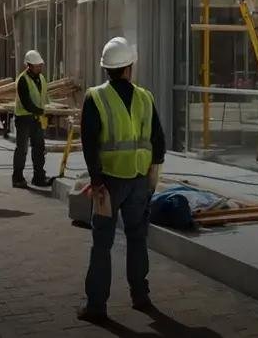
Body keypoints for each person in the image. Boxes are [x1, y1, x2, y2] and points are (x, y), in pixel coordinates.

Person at [78, 37, 165, 324]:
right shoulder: (146, 97)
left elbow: (89, 143)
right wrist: (151, 180)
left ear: (106, 68)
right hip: (140, 180)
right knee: (137, 238)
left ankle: (96, 306)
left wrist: (95, 180)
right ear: (129, 66)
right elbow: (159, 144)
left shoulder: (95, 97)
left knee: (102, 243)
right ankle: (141, 296)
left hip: (108, 183)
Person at [12, 50, 51, 188]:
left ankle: (39, 177)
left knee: (39, 148)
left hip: (37, 118)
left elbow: (44, 98)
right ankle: (17, 178)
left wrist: (47, 111)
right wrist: (41, 110)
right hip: (24, 118)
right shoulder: (22, 80)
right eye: (37, 65)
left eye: (40, 65)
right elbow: (26, 102)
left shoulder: (41, 78)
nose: (40, 68)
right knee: (22, 149)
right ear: (29, 66)